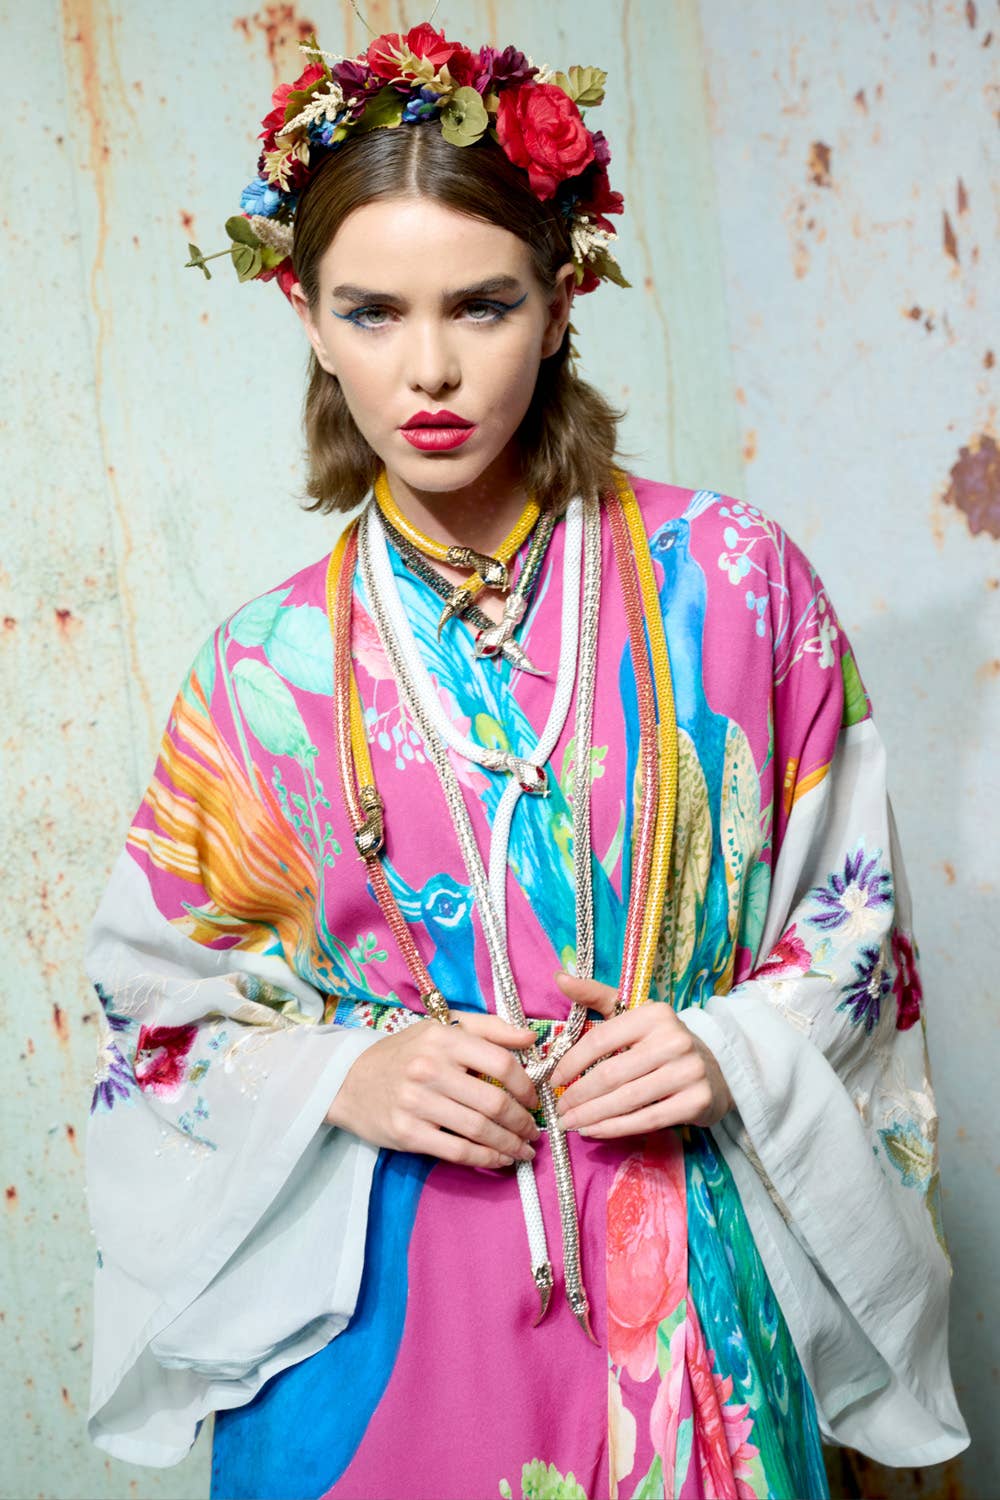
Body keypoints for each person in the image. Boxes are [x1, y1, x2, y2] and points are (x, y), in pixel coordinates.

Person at [83, 17, 969, 1500]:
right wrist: (347, 1075)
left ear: (561, 303)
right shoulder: (261, 672)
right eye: (373, 313)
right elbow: (156, 1011)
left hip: (678, 1283)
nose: (429, 369)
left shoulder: (733, 583)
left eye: (482, 305)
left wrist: (727, 1046)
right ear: (307, 316)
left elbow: (853, 934)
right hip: (371, 1317)